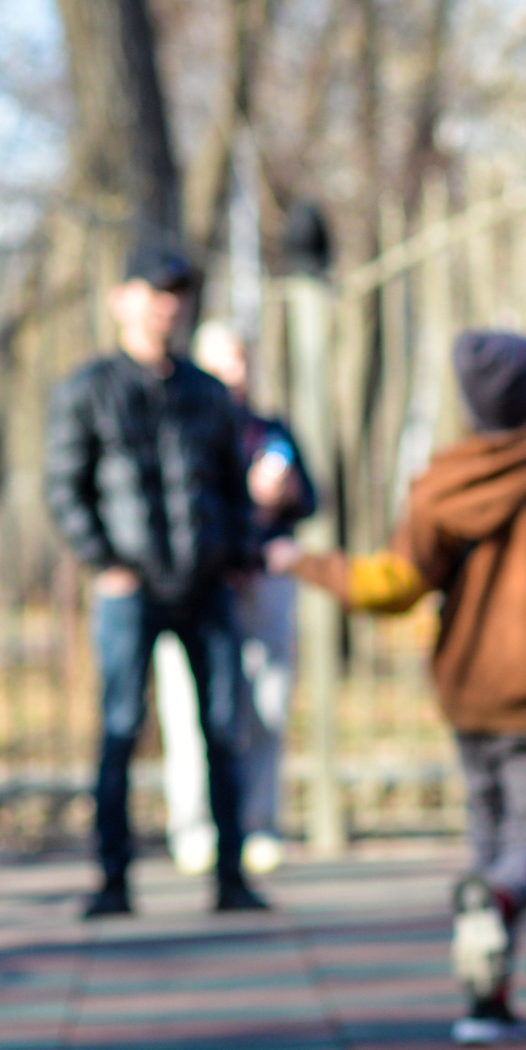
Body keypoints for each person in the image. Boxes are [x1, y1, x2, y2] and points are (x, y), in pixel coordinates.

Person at [286, 331, 526, 1044]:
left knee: (488, 837)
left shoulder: (438, 486)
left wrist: (309, 563)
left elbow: (395, 584)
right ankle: (494, 904)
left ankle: (484, 1000)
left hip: (468, 697)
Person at [44, 245, 266, 917]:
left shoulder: (205, 391)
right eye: (153, 290)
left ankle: (232, 874)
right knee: (120, 728)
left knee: (223, 728)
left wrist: (238, 553)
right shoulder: (87, 389)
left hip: (204, 586)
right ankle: (114, 878)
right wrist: (105, 562)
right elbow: (64, 488)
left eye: (177, 293)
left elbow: (231, 487)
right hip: (129, 587)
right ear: (122, 298)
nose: (166, 305)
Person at [155, 318, 317, 879]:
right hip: (201, 584)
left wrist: (285, 497)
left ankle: (258, 826)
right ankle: (194, 827)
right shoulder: (181, 423)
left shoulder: (271, 430)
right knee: (189, 711)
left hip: (263, 578)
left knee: (266, 707)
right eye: (223, 362)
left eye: (241, 361)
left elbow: (310, 501)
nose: (234, 374)